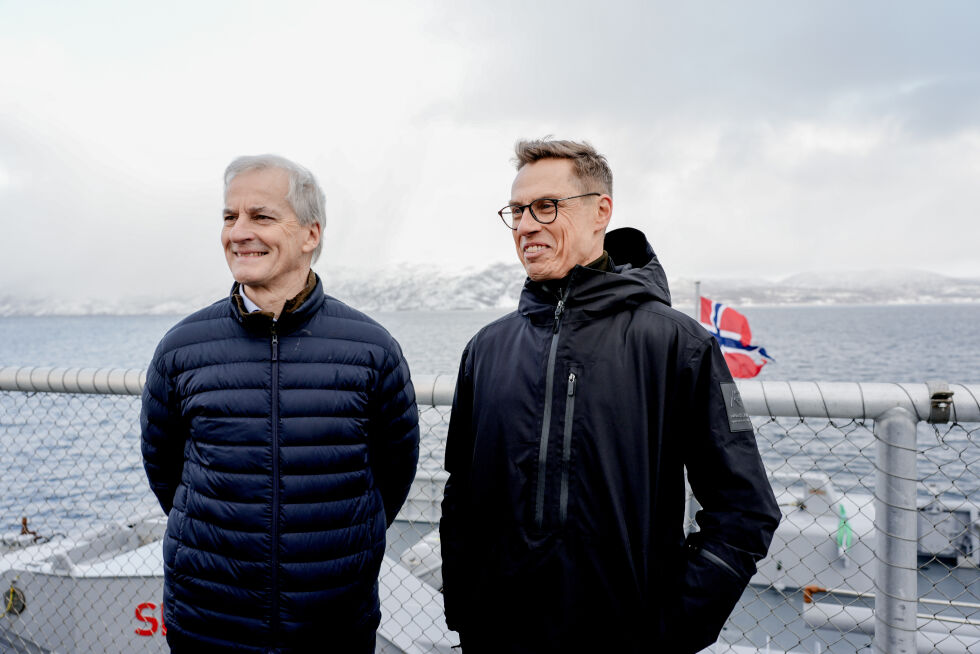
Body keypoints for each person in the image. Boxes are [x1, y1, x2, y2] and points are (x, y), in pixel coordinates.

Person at [439, 139, 780, 653]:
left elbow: (745, 508)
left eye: (546, 207)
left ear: (601, 212)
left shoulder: (677, 344)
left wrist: (673, 627)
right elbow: (460, 495)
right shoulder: (486, 349)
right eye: (516, 211)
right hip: (496, 636)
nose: (526, 225)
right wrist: (465, 610)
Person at [141, 154, 419, 653]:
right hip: (210, 620)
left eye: (261, 216)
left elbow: (392, 472)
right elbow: (165, 469)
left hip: (331, 622)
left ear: (311, 234)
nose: (239, 232)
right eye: (230, 217)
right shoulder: (181, 348)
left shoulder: (371, 350)